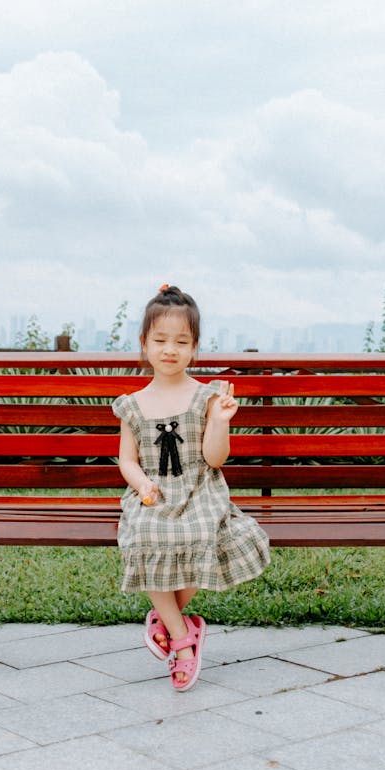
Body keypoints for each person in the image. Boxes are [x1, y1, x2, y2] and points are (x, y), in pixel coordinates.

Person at [112, 284, 271, 691]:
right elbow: (127, 459)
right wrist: (142, 483)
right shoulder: (132, 404)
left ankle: (167, 621)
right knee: (146, 534)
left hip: (199, 490)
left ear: (195, 347)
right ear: (144, 344)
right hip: (153, 494)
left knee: (206, 533)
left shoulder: (206, 397)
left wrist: (220, 422)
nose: (170, 349)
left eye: (181, 341)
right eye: (160, 340)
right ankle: (184, 641)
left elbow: (215, 459)